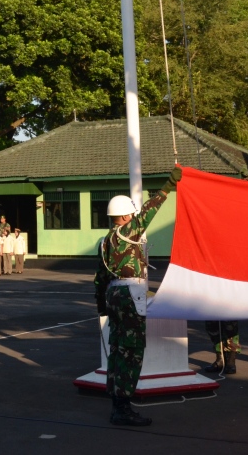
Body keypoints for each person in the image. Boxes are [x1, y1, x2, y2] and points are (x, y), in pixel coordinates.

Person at [94, 168, 180, 427]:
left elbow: (100, 277)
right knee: (132, 351)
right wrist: (168, 185)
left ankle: (117, 402)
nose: (134, 216)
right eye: (130, 213)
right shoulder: (127, 232)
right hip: (130, 294)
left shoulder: (105, 240)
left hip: (113, 295)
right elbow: (148, 212)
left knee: (118, 348)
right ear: (124, 215)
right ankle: (123, 408)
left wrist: (102, 307)